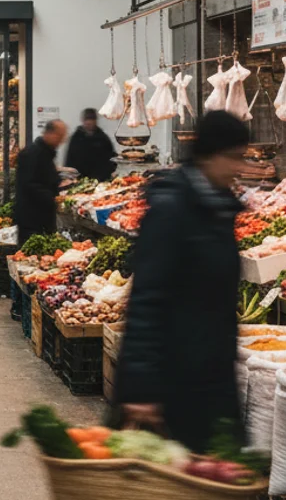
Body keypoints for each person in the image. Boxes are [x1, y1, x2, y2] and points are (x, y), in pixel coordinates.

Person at [115, 110, 249, 452]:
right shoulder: (172, 208)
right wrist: (141, 389)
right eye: (234, 157)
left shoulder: (218, 206)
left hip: (211, 371)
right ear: (209, 154)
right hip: (174, 379)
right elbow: (146, 300)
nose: (239, 168)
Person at [14, 119, 68, 248]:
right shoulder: (33, 154)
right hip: (31, 217)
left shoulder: (45, 153)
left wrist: (61, 183)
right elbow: (29, 184)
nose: (62, 141)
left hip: (41, 215)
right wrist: (53, 198)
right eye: (60, 137)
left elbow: (44, 178)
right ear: (51, 134)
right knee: (30, 253)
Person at [64, 108, 117, 180]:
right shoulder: (76, 138)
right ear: (82, 120)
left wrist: (111, 172)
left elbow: (112, 157)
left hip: (102, 179)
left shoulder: (103, 138)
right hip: (80, 180)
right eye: (86, 119)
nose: (89, 122)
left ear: (95, 121)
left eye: (91, 119)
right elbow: (69, 159)